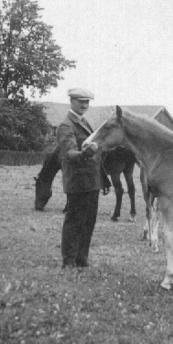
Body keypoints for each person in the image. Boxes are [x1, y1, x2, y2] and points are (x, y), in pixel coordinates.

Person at [57, 88, 110, 269]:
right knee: (75, 221)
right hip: (78, 181)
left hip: (92, 181)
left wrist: (103, 180)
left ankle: (82, 259)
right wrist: (85, 153)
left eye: (87, 102)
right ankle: (69, 261)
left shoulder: (85, 122)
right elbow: (69, 153)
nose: (84, 105)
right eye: (80, 102)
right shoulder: (66, 125)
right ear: (71, 101)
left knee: (88, 222)